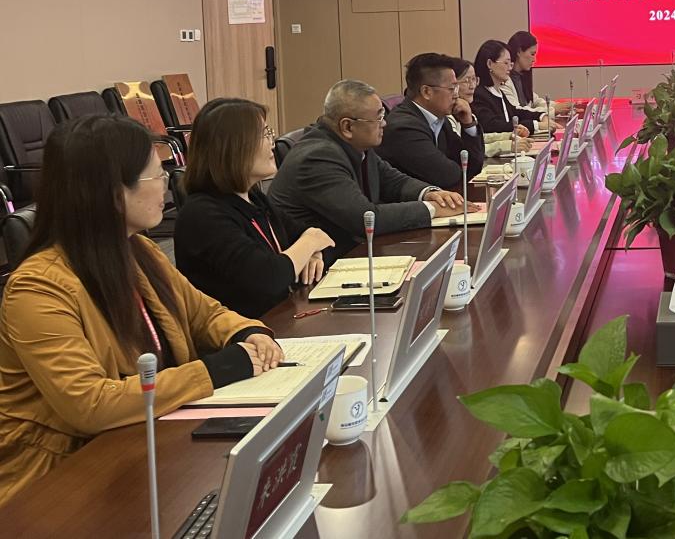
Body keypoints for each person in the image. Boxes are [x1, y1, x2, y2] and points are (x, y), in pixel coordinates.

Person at [0, 115, 280, 505]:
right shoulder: (38, 288)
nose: (166, 184)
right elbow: (90, 404)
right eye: (156, 175)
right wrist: (216, 369)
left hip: (146, 439)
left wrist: (248, 332)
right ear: (113, 192)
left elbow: (204, 313)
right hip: (59, 479)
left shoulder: (139, 250)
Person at [268, 80, 474, 258]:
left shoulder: (354, 144)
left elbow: (392, 180)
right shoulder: (317, 158)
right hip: (323, 266)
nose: (384, 123)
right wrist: (432, 209)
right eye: (378, 117)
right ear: (348, 127)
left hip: (354, 250)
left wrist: (430, 194)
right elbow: (366, 218)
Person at [175, 98, 334, 318]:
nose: (272, 143)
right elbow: (269, 278)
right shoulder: (202, 215)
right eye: (264, 134)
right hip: (242, 332)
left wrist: (313, 251)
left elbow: (316, 235)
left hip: (279, 318)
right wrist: (311, 242)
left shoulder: (253, 198)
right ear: (232, 147)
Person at [378, 54, 484, 191]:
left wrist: (468, 124)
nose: (456, 95)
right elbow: (448, 176)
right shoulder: (404, 128)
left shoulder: (439, 119)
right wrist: (462, 167)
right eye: (452, 88)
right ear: (427, 92)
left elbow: (472, 166)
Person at [451, 57, 530, 157]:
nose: (472, 86)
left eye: (474, 79)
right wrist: (508, 145)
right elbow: (465, 150)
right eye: (466, 81)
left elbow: (480, 138)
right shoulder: (448, 117)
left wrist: (509, 135)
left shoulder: (467, 110)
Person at [472, 39, 542, 135]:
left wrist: (541, 116)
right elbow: (492, 125)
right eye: (506, 63)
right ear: (489, 64)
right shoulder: (479, 94)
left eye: (510, 64)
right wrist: (535, 125)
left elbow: (514, 112)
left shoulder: (498, 91)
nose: (510, 68)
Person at [507, 30, 552, 118]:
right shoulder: (504, 80)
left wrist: (556, 106)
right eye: (532, 54)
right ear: (519, 52)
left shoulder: (522, 76)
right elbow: (518, 110)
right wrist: (551, 110)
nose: (534, 59)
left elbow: (535, 100)